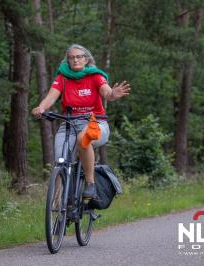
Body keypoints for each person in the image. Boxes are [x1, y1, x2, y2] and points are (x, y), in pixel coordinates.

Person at [32, 44, 130, 198]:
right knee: (60, 162)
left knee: (83, 139)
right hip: (69, 124)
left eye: (79, 57)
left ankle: (90, 183)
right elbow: (51, 96)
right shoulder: (63, 77)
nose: (75, 60)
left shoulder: (95, 76)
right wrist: (41, 108)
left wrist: (112, 94)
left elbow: (106, 92)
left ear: (86, 59)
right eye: (71, 58)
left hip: (95, 123)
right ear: (67, 61)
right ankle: (58, 208)